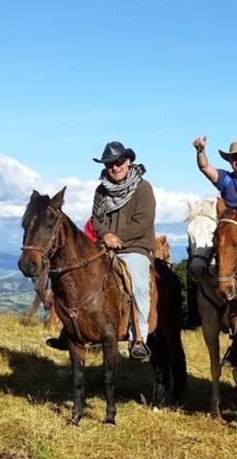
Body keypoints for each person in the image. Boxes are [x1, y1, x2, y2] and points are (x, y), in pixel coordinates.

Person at [188, 138, 237, 328]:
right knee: (199, 262)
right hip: (227, 233)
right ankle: (199, 315)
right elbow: (205, 168)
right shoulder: (226, 179)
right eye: (234, 158)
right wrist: (200, 151)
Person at [91, 141, 156, 361]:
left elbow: (143, 222)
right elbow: (96, 220)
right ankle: (74, 329)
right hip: (106, 246)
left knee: (138, 284)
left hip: (135, 247)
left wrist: (117, 238)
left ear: (128, 162)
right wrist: (105, 235)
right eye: (110, 164)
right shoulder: (101, 191)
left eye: (119, 162)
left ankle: (139, 338)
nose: (115, 167)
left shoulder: (143, 188)